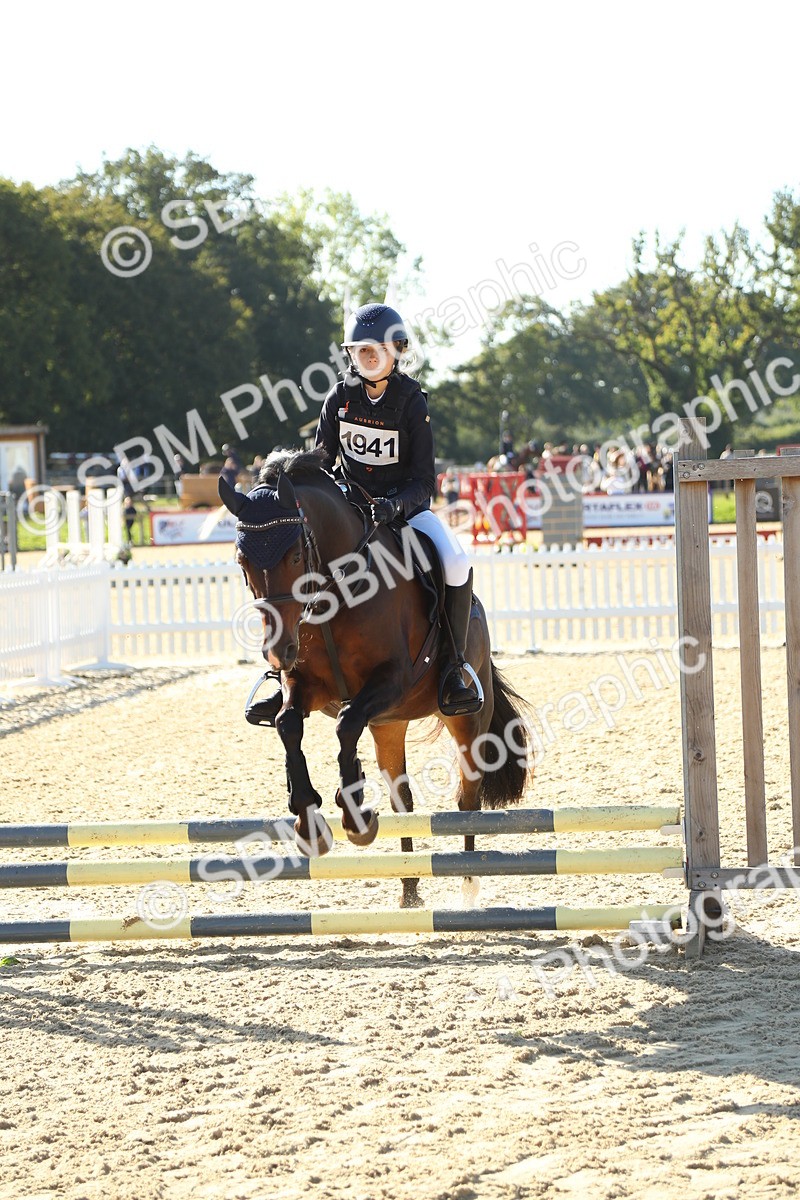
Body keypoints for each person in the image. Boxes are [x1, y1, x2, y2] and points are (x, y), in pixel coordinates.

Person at [252, 303, 482, 724]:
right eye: (360, 349)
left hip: (403, 514)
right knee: (296, 562)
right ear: (350, 354)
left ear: (397, 350)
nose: (369, 356)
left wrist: (394, 505)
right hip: (351, 512)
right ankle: (278, 673)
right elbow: (320, 463)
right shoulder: (339, 397)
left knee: (456, 561)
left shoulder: (412, 401)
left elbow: (424, 481)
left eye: (377, 348)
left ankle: (454, 669)